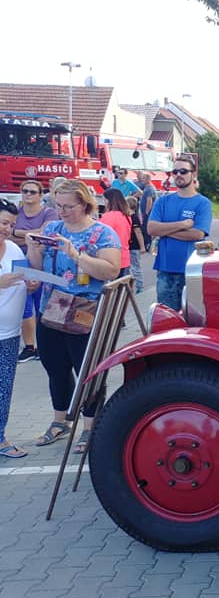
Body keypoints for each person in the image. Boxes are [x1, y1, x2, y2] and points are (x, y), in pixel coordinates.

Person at [26, 179, 121, 454]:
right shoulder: (52, 228)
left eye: (69, 206)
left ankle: (91, 426)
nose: (62, 211)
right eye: (58, 205)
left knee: (87, 371)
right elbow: (38, 267)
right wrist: (33, 249)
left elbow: (111, 270)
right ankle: (60, 422)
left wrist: (76, 254)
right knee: (55, 367)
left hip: (84, 311)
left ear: (84, 204)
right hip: (51, 309)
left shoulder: (103, 233)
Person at [147, 155, 212, 311]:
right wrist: (182, 225)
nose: (178, 175)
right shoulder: (162, 201)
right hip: (165, 271)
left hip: (191, 272)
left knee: (193, 319)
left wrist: (164, 231)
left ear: (193, 174)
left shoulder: (203, 203)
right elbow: (151, 229)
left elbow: (197, 234)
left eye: (183, 171)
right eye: (175, 171)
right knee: (167, 319)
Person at [11, 180, 56, 363]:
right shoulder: (17, 212)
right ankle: (30, 346)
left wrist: (18, 232)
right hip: (19, 261)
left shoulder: (48, 212)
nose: (28, 194)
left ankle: (45, 347)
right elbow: (7, 235)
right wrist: (31, 236)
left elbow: (45, 235)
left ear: (40, 194)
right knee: (24, 304)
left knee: (42, 304)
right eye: (25, 191)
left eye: (32, 191)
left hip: (40, 262)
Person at [0, 198, 29, 458]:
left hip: (9, 333)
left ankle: (0, 438)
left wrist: (31, 284)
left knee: (4, 387)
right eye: (2, 223)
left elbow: (24, 279)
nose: (6, 229)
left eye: (10, 224)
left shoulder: (14, 249)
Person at [99, 189, 133, 278]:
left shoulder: (108, 217)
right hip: (124, 256)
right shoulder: (126, 216)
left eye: (104, 199)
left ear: (109, 200)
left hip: (110, 258)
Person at [126, 196, 146, 294]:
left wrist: (142, 247)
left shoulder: (134, 218)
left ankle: (140, 286)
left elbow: (138, 233)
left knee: (135, 267)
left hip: (134, 246)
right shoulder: (127, 217)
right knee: (128, 268)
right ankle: (129, 286)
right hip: (128, 246)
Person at [137, 172, 156, 251]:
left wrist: (146, 213)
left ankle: (147, 244)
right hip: (146, 213)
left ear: (148, 179)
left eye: (144, 179)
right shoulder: (147, 188)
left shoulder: (149, 189)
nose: (142, 180)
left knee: (146, 229)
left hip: (147, 213)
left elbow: (149, 201)